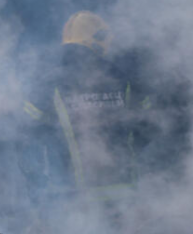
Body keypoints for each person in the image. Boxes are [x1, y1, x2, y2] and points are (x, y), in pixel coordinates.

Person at [19, 11, 155, 206]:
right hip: (123, 198)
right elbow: (149, 127)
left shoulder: (47, 80)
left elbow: (25, 137)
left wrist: (37, 184)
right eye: (105, 37)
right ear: (96, 38)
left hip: (66, 200)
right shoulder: (123, 77)